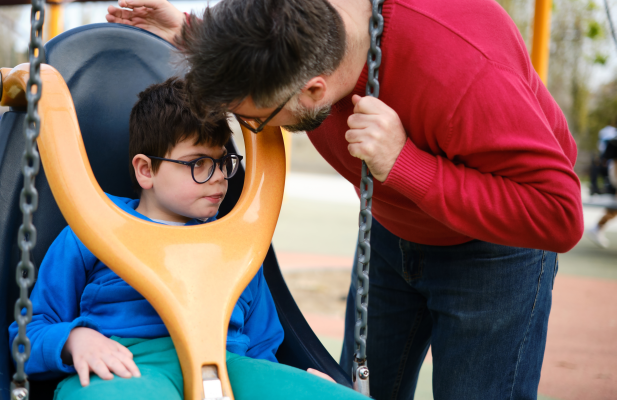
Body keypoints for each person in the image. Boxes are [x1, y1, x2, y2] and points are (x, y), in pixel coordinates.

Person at [107, 1, 584, 399]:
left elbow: (560, 215)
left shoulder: (466, 71)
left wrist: (406, 165)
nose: (252, 129)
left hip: (489, 247)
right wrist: (197, 39)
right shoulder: (311, 26)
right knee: (358, 388)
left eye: (254, 120)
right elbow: (270, 26)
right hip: (392, 229)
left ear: (316, 88)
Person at [8, 78, 369, 400]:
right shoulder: (95, 228)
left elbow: (261, 348)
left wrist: (289, 381)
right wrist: (74, 341)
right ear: (146, 170)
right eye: (198, 163)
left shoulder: (237, 242)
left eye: (222, 162)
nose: (217, 178)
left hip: (229, 365)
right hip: (130, 362)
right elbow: (29, 332)